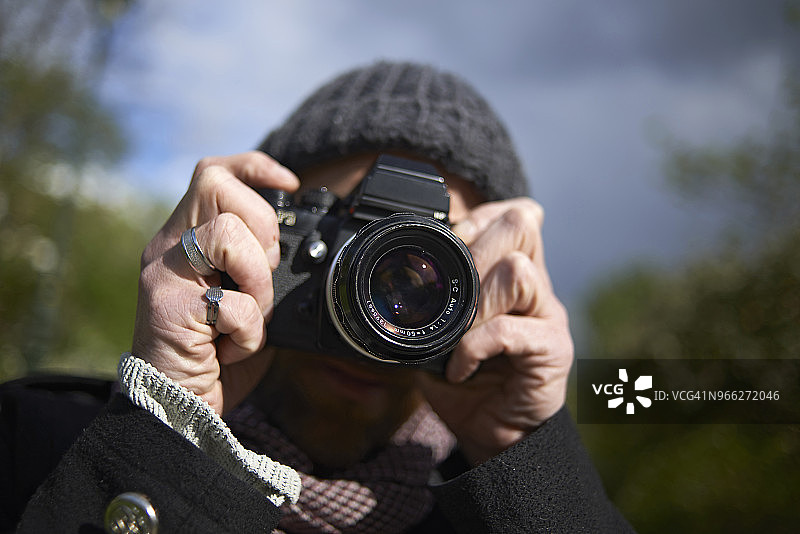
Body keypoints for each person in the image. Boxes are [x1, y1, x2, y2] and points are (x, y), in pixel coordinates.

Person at [2, 60, 635, 533]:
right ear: (251, 227)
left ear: (487, 290)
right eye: (346, 240)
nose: (379, 306)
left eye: (431, 262)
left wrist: (527, 464)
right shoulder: (37, 448)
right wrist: (167, 433)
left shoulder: (499, 517)